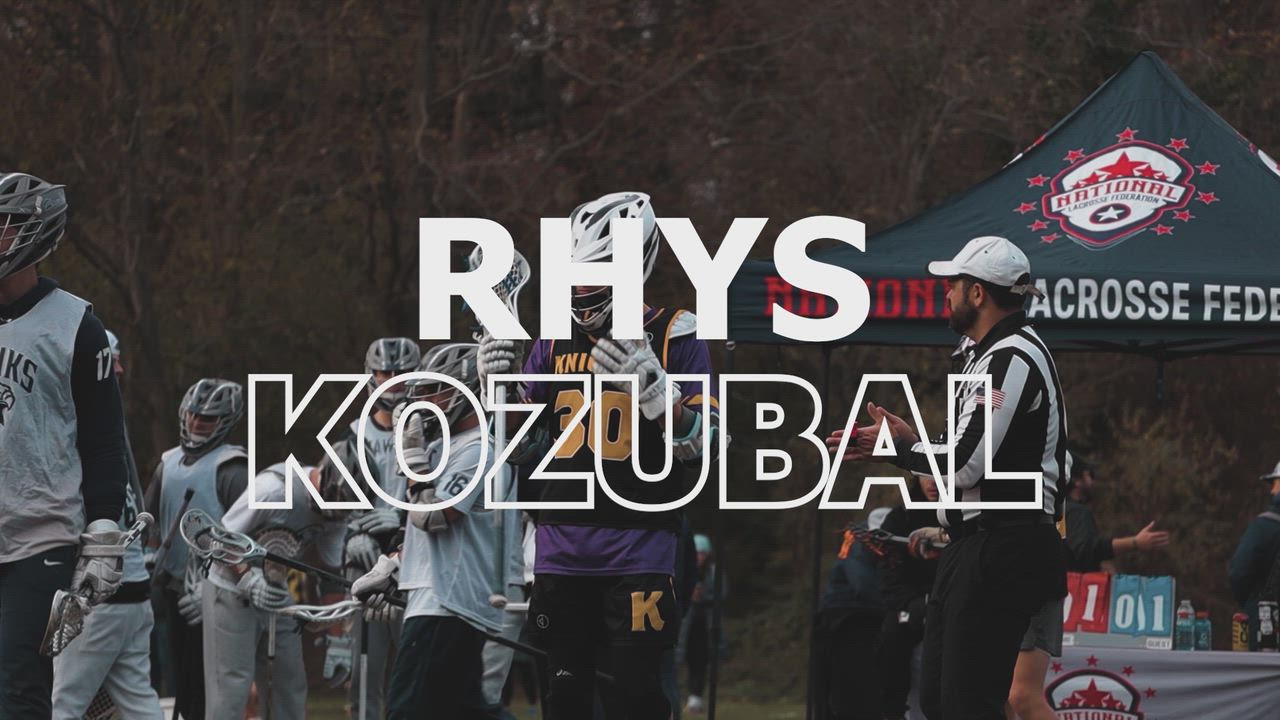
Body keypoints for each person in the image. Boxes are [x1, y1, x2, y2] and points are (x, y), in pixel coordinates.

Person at [478, 191, 720, 719]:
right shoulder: (551, 341)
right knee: (564, 701)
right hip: (560, 552)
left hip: (639, 548)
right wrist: (498, 392)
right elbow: (521, 447)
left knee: (635, 698)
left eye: (598, 271)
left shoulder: (675, 333)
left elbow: (710, 446)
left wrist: (659, 398)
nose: (583, 286)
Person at [829, 235, 1069, 720]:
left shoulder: (1011, 357)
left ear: (978, 293)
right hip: (974, 545)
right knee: (940, 700)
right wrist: (910, 439)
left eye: (954, 284)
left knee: (968, 703)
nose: (946, 292)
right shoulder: (985, 355)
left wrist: (896, 449)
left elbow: (963, 464)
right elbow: (968, 451)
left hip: (1003, 545)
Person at [0, 172, 130, 717]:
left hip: (41, 535)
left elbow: (104, 441)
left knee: (18, 689)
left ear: (32, 232)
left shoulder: (76, 325)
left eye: (2, 226)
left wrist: (103, 527)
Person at [353, 342, 524, 719]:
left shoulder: (478, 449)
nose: (424, 401)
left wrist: (412, 463)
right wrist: (394, 568)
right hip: (434, 597)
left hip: (450, 601)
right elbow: (422, 534)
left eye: (436, 390)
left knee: (408, 710)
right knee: (465, 709)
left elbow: (435, 516)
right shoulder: (441, 447)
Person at [51, 328, 164, 720]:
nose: (119, 370)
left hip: (98, 593)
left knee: (60, 704)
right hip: (133, 590)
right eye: (112, 360)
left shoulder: (74, 425)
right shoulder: (110, 430)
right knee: (139, 703)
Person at [202, 462, 345, 720]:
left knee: (289, 681)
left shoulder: (340, 510)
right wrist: (248, 579)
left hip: (276, 589)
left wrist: (338, 640)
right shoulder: (272, 490)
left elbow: (331, 573)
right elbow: (221, 539)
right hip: (230, 584)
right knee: (232, 688)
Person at [144, 378, 248, 720]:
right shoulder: (168, 463)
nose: (197, 423)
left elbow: (247, 538)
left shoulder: (233, 469)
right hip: (172, 589)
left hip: (217, 592)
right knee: (178, 681)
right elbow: (149, 520)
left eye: (207, 418)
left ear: (225, 421)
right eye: (193, 415)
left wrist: (217, 585)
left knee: (211, 685)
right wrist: (147, 557)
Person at [342, 337, 420, 720]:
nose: (392, 381)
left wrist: (401, 521)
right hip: (365, 559)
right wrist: (351, 534)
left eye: (401, 373)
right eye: (384, 372)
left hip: (410, 557)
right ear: (370, 375)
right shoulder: (355, 432)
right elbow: (337, 497)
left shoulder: (429, 428)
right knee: (365, 672)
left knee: (414, 665)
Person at [876, 476, 942, 720]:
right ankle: (892, 711)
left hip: (953, 601)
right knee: (892, 635)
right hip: (910, 604)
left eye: (941, 475)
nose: (933, 482)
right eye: (926, 475)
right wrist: (912, 603)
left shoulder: (966, 515)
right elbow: (888, 573)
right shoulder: (899, 518)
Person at [814, 508, 890, 720]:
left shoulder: (865, 538)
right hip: (848, 618)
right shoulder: (860, 541)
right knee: (850, 687)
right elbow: (863, 585)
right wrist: (898, 606)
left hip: (860, 616)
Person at [1064, 457, 1170, 573]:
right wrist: (1135, 542)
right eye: (1089, 475)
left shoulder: (1055, 509)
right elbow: (1086, 550)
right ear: (1076, 480)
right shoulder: (1077, 512)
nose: (1092, 481)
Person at [1228, 461, 1280, 649]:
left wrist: (1254, 605)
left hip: (1266, 632)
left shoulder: (1264, 527)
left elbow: (1238, 573)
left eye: (1275, 484)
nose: (1272, 491)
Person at [681, 534, 726, 714]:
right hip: (686, 625)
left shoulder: (714, 572)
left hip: (705, 625)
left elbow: (722, 592)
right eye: (696, 553)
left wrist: (704, 596)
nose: (699, 557)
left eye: (702, 553)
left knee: (701, 661)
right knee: (681, 658)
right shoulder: (684, 571)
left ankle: (695, 699)